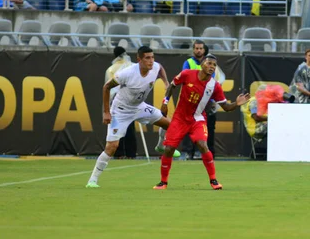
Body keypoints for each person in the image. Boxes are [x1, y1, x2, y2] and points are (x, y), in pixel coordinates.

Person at [153, 54, 250, 190]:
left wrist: (237, 103)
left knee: (203, 145)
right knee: (168, 149)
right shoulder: (187, 74)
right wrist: (165, 102)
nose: (211, 67)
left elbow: (226, 107)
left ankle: (214, 180)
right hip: (180, 118)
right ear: (202, 64)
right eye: (209, 63)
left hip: (197, 119)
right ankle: (163, 182)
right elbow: (172, 85)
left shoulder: (214, 86)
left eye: (214, 65)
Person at [86, 47, 176, 188]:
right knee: (112, 147)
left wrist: (165, 82)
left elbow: (160, 68)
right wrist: (106, 112)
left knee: (169, 125)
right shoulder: (127, 73)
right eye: (147, 58)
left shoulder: (155, 67)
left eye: (152, 57)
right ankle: (93, 180)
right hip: (120, 111)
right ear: (139, 59)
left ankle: (160, 146)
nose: (151, 61)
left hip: (139, 107)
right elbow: (106, 87)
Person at [104, 47, 136, 160]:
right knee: (130, 127)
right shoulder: (132, 65)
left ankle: (119, 153)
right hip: (131, 99)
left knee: (117, 127)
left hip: (117, 101)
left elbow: (109, 88)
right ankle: (131, 153)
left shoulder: (111, 69)